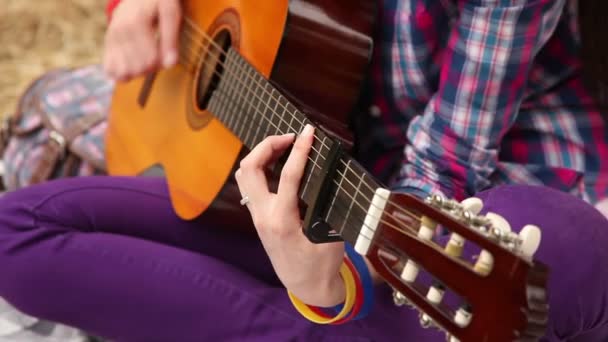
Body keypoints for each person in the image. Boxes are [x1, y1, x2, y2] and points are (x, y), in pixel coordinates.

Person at [0, 0, 607, 341]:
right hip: (301, 149)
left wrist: (333, 287)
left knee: (542, 268)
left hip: (468, 186)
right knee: (14, 230)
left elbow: (447, 162)